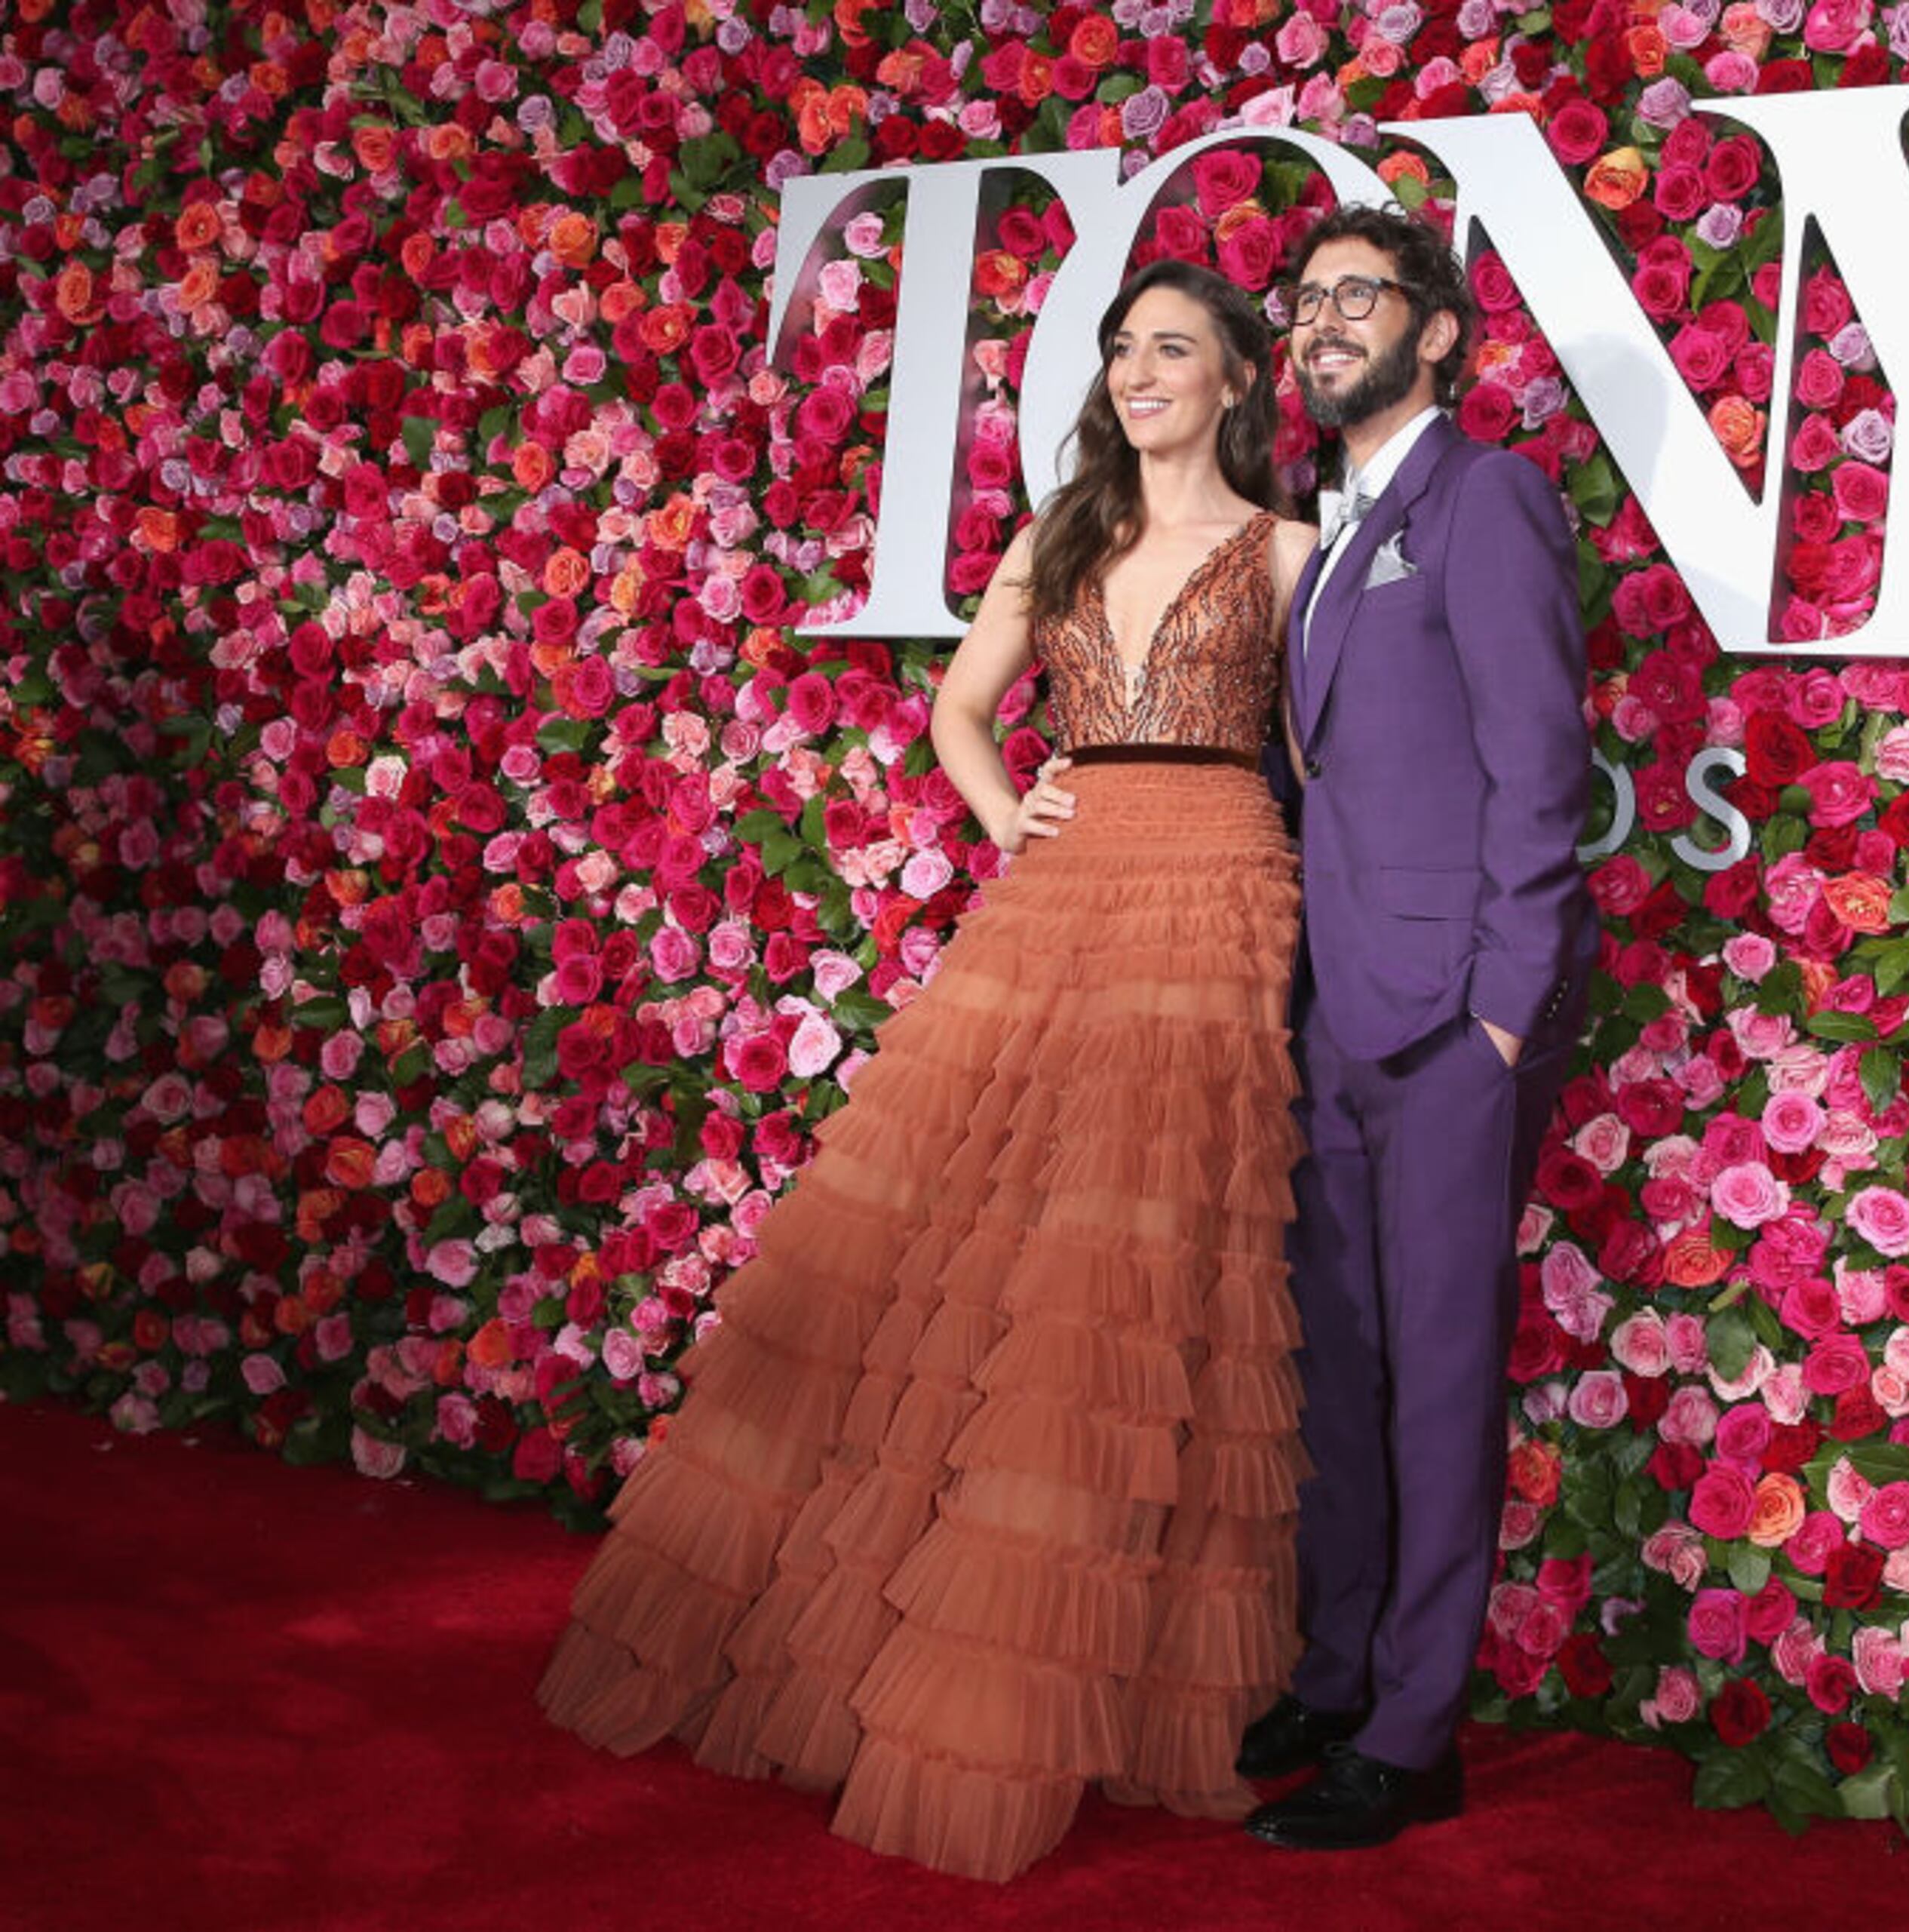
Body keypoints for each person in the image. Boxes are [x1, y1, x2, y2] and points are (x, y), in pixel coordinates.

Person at [537, 257, 1321, 1883]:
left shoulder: (1293, 552)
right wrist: (1009, 810)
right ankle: (912, 1639)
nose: (1140, 373)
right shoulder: (1064, 534)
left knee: (1143, 1264)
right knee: (981, 1240)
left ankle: (1098, 1677)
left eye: (1173, 349)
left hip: (1223, 884)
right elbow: (966, 711)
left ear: (1243, 378)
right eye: (1123, 349)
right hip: (1072, 879)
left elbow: (1323, 756)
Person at [1238, 204, 1597, 1851]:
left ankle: (1411, 1731)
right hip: (1336, 1014)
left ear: (1436, 331)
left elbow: (1542, 773)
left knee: (1439, 1375)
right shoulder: (1325, 523)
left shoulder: (1487, 496)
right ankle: (1336, 1675)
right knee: (1345, 1366)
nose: (1319, 324)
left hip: (1453, 1020)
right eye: (1303, 301)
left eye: (1355, 298)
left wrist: (1503, 1016)